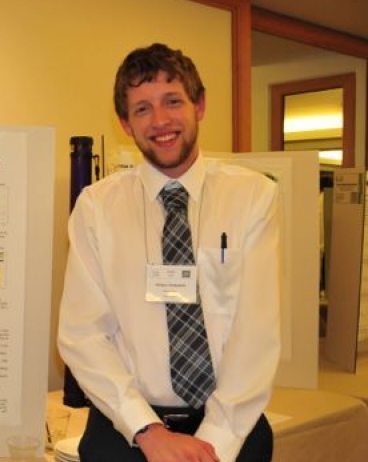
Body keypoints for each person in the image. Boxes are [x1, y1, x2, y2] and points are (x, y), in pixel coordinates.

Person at [57, 43, 281, 462]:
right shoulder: (96, 208)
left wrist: (213, 442)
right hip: (127, 431)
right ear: (125, 123)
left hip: (231, 428)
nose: (160, 121)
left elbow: (257, 333)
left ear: (199, 105)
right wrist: (149, 431)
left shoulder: (253, 197)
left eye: (172, 101)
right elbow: (82, 334)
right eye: (142, 109)